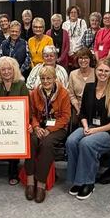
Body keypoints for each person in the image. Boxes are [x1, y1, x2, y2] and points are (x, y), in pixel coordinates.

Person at [66, 59, 110, 200]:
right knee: (71, 140)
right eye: (100, 70)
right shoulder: (89, 87)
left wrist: (94, 131)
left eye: (106, 71)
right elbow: (83, 113)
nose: (103, 73)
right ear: (96, 71)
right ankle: (77, 180)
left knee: (87, 143)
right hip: (90, 126)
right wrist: (86, 127)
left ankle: (88, 182)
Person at [0, 57, 30, 187]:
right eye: (3, 69)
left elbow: (28, 107)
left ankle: (13, 171)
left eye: (9, 69)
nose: (6, 72)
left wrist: (25, 123)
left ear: (14, 70)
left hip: (15, 125)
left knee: (15, 137)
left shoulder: (20, 84)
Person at [26, 65, 71, 203]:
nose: (45, 81)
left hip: (57, 127)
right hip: (40, 125)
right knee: (31, 140)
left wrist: (49, 130)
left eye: (49, 78)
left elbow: (65, 117)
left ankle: (40, 184)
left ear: (55, 78)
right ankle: (30, 180)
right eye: (43, 78)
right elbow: (32, 114)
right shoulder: (34, 93)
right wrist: (36, 126)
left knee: (47, 143)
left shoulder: (63, 93)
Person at [68, 48, 96, 118]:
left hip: (94, 105)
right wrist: (77, 107)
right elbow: (71, 94)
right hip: (77, 106)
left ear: (90, 59)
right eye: (81, 58)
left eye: (86, 58)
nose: (83, 60)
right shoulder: (72, 74)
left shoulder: (96, 73)